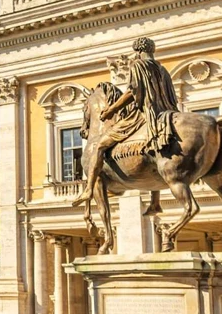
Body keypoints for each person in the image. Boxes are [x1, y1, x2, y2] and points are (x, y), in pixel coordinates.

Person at [73, 37, 179, 209]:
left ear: (137, 51)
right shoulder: (163, 69)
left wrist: (112, 109)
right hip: (166, 111)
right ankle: (155, 201)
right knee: (155, 149)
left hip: (144, 114)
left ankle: (88, 189)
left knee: (100, 145)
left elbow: (132, 91)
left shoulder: (138, 65)